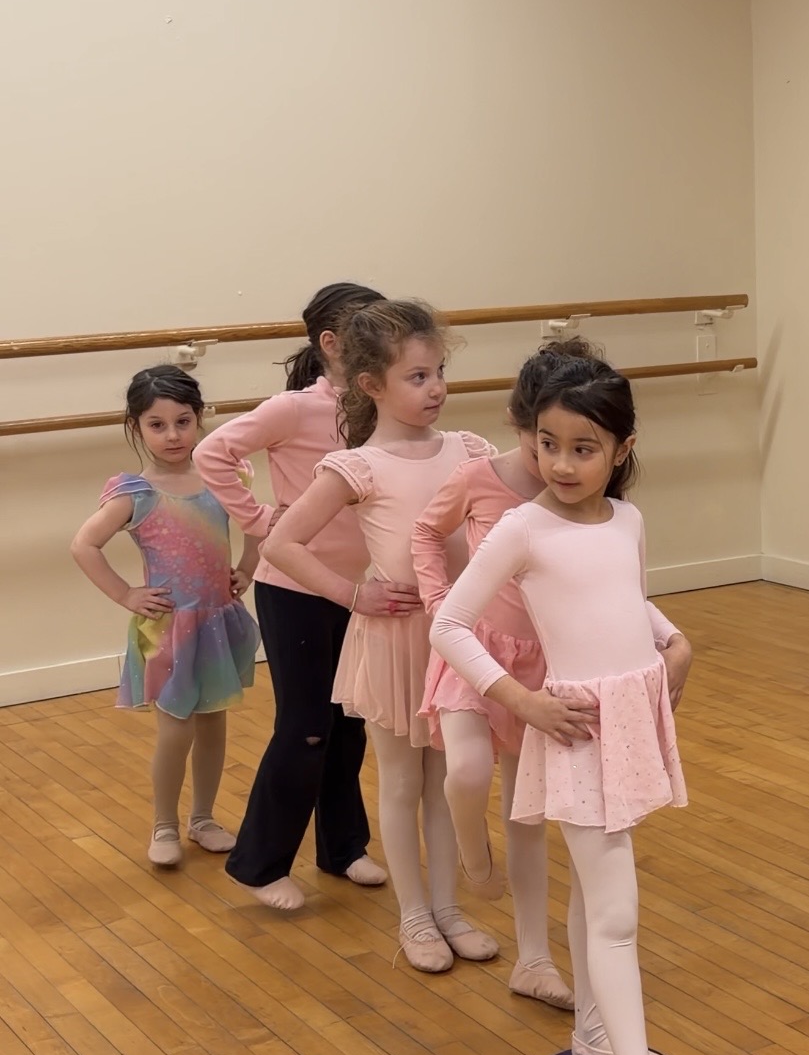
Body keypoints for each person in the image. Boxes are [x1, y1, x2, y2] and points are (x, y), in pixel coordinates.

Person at [431, 356, 702, 1055]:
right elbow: (449, 621)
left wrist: (673, 637)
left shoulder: (627, 519)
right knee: (616, 914)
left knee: (597, 889)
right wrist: (519, 696)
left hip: (630, 718)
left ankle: (594, 1033)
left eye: (584, 447)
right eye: (547, 443)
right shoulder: (520, 529)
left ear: (621, 447)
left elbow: (626, 593)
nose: (561, 463)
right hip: (579, 726)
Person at [264, 299, 499, 971]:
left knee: (450, 778)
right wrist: (353, 594)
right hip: (397, 639)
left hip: (455, 638)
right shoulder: (358, 466)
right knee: (402, 781)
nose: (436, 388)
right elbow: (283, 543)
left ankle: (449, 908)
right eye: (417, 377)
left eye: (438, 372)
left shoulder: (470, 450)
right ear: (371, 386)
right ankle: (416, 917)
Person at [195, 282, 389, 911]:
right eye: (369, 332)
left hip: (360, 591)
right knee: (305, 729)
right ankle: (259, 864)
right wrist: (258, 522)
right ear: (331, 343)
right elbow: (213, 452)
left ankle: (343, 848)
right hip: (295, 591)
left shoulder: (380, 406)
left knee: (350, 722)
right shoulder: (294, 409)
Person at [71, 365, 260, 866]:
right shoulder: (136, 493)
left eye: (183, 421)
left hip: (217, 622)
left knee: (214, 723)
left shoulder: (222, 476)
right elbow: (84, 545)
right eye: (157, 424)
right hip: (171, 630)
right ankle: (165, 824)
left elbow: (259, 524)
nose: (173, 434)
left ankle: (203, 818)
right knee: (176, 729)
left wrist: (246, 568)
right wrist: (126, 594)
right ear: (137, 428)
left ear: (200, 418)